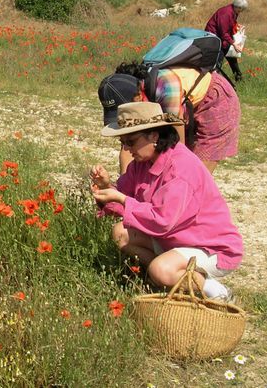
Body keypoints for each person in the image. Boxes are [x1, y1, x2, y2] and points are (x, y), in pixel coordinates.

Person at [90, 102, 243, 301]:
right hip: (175, 238)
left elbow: (162, 220)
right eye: (123, 142)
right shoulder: (143, 163)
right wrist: (105, 186)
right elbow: (123, 200)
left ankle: (214, 290)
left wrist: (121, 198)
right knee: (121, 233)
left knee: (161, 269)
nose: (127, 149)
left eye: (131, 141)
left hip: (208, 246)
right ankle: (165, 276)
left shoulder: (180, 168)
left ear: (154, 136)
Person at [98, 60, 240, 174]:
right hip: (187, 105)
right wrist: (125, 187)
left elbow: (178, 145)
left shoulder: (166, 85)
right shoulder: (131, 86)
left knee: (193, 173)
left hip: (216, 102)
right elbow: (127, 145)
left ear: (138, 96)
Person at [205, 0, 248, 83]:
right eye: (241, 9)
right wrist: (234, 44)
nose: (241, 12)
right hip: (215, 39)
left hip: (223, 39)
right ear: (237, 6)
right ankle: (213, 82)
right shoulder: (225, 13)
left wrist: (237, 26)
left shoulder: (233, 12)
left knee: (232, 58)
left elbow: (230, 24)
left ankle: (239, 79)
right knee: (217, 63)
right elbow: (223, 32)